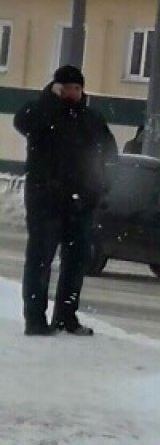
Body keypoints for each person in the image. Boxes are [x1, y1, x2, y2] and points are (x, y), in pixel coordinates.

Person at [13, 66, 116, 337]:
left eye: (76, 88)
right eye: (66, 87)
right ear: (56, 87)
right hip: (45, 201)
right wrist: (50, 99)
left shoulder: (91, 119)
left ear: (83, 90)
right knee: (40, 259)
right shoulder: (41, 113)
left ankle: (66, 317)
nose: (72, 93)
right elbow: (22, 122)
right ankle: (35, 320)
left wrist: (100, 190)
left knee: (76, 262)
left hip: (80, 203)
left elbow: (109, 155)